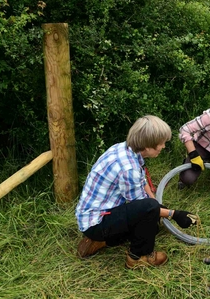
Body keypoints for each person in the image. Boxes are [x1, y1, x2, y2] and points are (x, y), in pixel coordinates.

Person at [75, 115, 199, 268]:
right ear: (147, 146)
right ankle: (138, 256)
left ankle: (104, 241)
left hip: (98, 214)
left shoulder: (125, 149)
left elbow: (142, 182)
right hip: (96, 223)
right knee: (149, 215)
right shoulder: (128, 169)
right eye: (161, 144)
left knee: (152, 219)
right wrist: (175, 214)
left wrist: (157, 204)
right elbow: (143, 206)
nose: (164, 147)